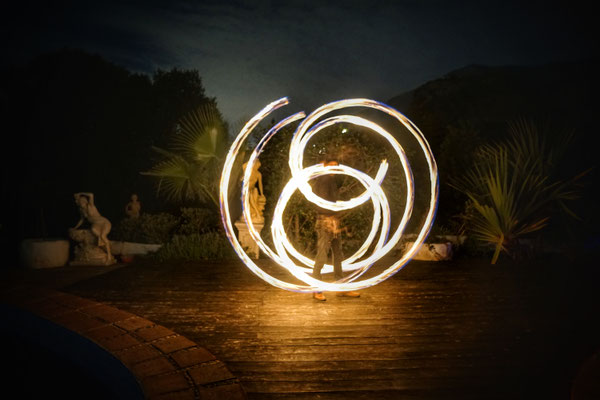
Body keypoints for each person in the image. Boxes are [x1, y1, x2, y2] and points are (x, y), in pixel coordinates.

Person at [311, 159, 360, 301]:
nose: (334, 168)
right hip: (325, 222)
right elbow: (321, 204)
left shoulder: (331, 181)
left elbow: (332, 201)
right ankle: (316, 289)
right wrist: (333, 213)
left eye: (336, 166)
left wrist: (338, 213)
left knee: (338, 255)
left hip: (333, 221)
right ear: (324, 166)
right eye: (331, 165)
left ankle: (341, 288)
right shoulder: (322, 181)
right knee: (322, 255)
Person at [73, 192, 113, 262]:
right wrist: (75, 227)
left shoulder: (90, 205)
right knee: (94, 231)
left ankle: (109, 255)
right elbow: (81, 220)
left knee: (103, 236)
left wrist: (81, 194)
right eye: (80, 202)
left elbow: (91, 195)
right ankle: (102, 249)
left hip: (103, 222)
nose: (81, 203)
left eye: (82, 202)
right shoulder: (82, 210)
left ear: (85, 201)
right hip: (96, 225)